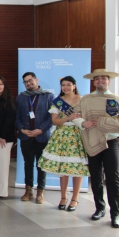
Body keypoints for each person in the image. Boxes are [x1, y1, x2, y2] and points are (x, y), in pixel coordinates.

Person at [72, 69, 119, 228]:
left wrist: (102, 122)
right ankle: (99, 208)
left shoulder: (117, 99)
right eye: (97, 79)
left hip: (111, 142)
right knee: (95, 177)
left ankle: (115, 213)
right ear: (94, 82)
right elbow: (74, 115)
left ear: (108, 81)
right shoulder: (86, 99)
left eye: (103, 79)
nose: (100, 81)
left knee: (113, 178)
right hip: (92, 142)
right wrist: (83, 123)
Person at [37, 76, 88, 210]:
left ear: (74, 86)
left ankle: (75, 199)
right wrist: (68, 117)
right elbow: (54, 121)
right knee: (63, 168)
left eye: (68, 85)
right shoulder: (58, 102)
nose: (65, 87)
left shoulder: (83, 100)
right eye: (63, 85)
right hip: (62, 136)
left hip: (78, 135)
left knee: (77, 168)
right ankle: (63, 197)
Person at [15, 72, 54, 204]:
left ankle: (40, 192)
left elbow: (51, 118)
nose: (28, 83)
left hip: (41, 137)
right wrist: (22, 129)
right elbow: (17, 116)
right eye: (25, 82)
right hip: (25, 137)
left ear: (36, 80)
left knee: (41, 166)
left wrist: (40, 130)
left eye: (30, 80)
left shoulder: (48, 96)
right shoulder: (21, 97)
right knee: (28, 165)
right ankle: (28, 190)